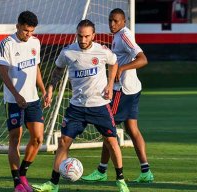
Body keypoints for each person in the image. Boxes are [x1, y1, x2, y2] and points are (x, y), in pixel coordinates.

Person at [32, 19, 129, 192]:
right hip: (77, 107)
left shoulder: (102, 50)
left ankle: (121, 181)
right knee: (63, 142)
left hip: (99, 105)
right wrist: (50, 89)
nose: (82, 40)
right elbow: (58, 70)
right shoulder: (68, 52)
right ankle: (53, 184)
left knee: (111, 141)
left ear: (93, 35)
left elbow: (114, 62)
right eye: (79, 36)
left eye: (86, 36)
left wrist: (109, 84)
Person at [81, 8, 154, 183]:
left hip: (122, 91)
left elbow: (143, 59)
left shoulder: (124, 35)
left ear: (123, 22)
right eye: (110, 20)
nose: (112, 24)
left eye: (116, 21)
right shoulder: (118, 36)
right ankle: (145, 172)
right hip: (132, 88)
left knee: (107, 127)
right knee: (131, 129)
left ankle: (102, 171)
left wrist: (121, 68)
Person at [0, 11, 49, 192]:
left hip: (33, 99)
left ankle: (23, 173)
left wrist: (43, 90)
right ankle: (17, 183)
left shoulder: (35, 42)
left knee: (38, 138)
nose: (29, 34)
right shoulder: (7, 44)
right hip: (13, 100)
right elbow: (3, 71)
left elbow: (36, 67)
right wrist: (16, 94)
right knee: (15, 138)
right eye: (26, 30)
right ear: (17, 26)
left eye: (31, 31)